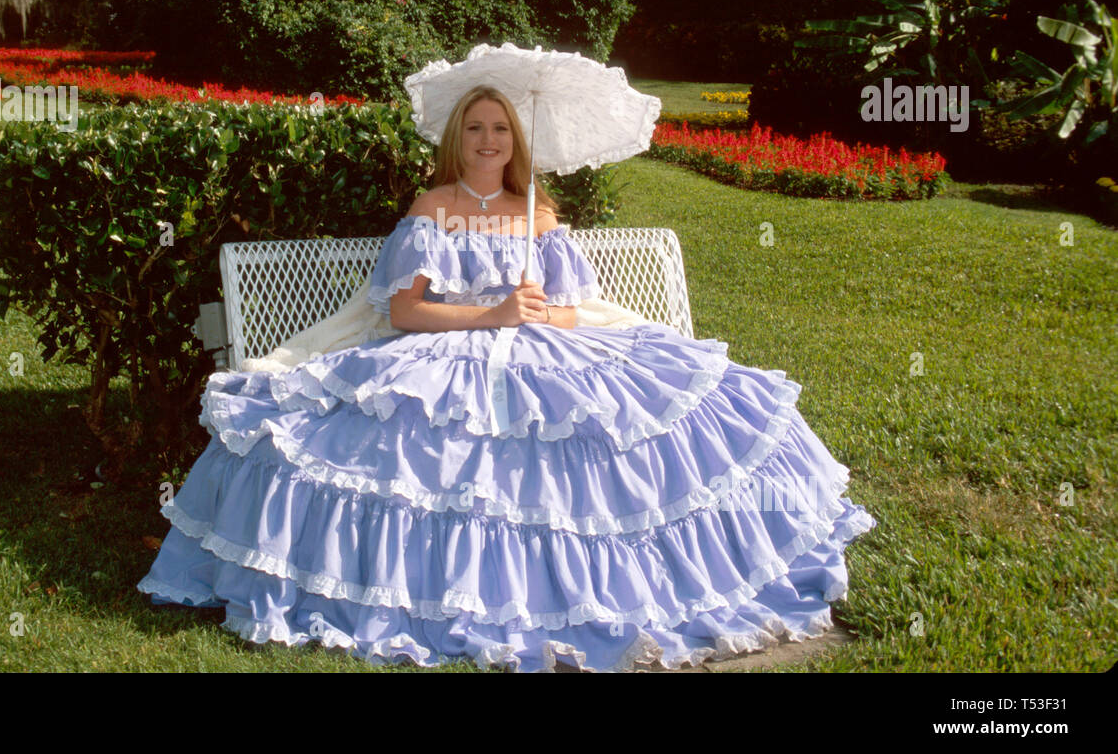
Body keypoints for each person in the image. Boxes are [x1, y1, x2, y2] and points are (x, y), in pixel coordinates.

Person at [137, 84, 877, 672]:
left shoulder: (540, 215)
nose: (488, 141)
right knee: (424, 455)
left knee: (617, 435)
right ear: (455, 139)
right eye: (475, 128)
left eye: (500, 130)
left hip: (539, 351)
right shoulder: (433, 209)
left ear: (516, 143)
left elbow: (568, 312)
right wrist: (490, 315)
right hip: (443, 351)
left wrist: (534, 314)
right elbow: (403, 313)